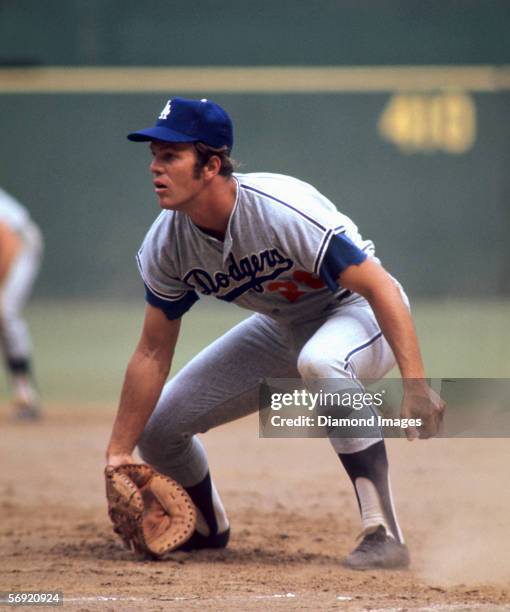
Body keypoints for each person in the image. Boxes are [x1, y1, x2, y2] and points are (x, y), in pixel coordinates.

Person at [106, 97, 444, 569]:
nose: (155, 168)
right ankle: (206, 529)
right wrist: (119, 451)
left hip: (358, 312)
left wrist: (415, 383)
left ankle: (383, 531)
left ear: (211, 165)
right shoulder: (167, 243)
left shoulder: (278, 209)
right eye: (153, 156)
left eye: (170, 156)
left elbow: (378, 285)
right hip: (281, 326)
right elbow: (151, 353)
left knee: (321, 361)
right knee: (158, 429)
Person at [0, 187, 43, 419]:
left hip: (21, 245)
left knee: (5, 312)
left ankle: (26, 395)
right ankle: (23, 393)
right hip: (7, 245)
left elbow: (7, 242)